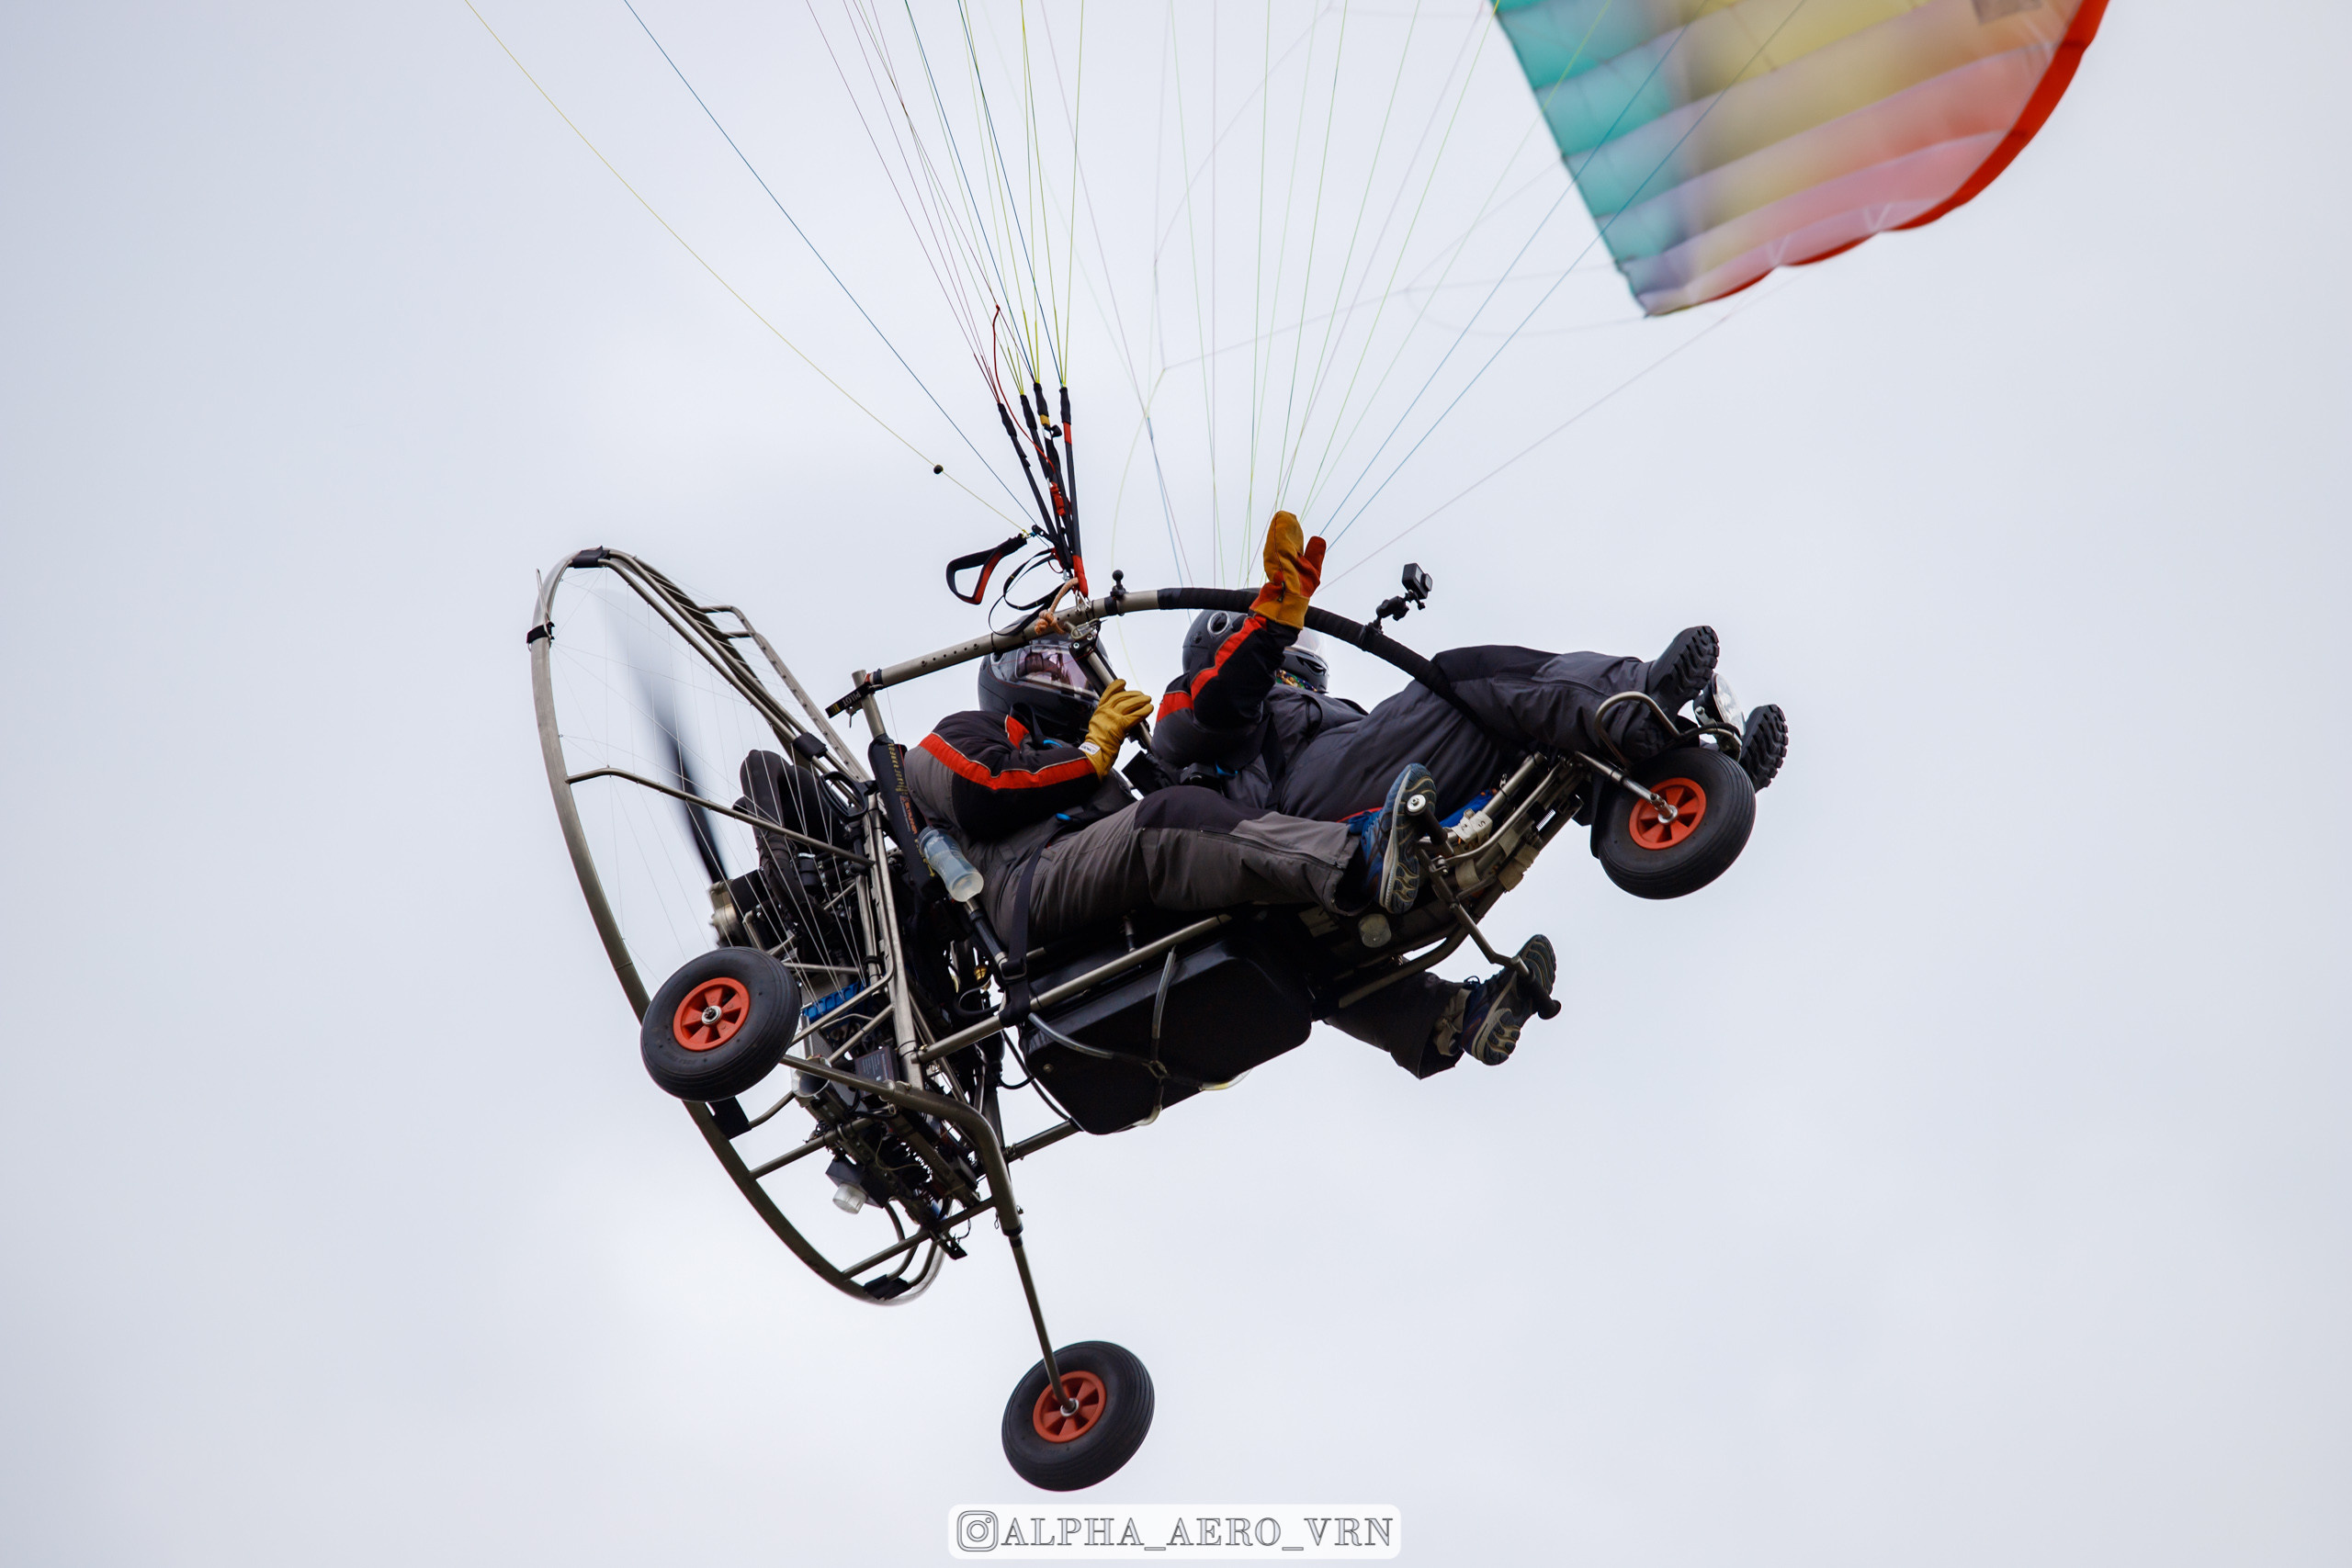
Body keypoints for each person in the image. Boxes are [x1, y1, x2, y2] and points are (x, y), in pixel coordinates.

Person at [901, 517, 1560, 1078]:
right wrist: (1090, 756)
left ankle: (1446, 1020)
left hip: (1101, 897)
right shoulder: (962, 735)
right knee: (1170, 821)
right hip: (1032, 889)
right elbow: (982, 791)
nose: (1068, 680)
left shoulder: (1099, 773)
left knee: (1274, 913)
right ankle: (1360, 856)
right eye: (1051, 667)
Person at [1148, 512, 1792, 1076]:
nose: (1299, 654)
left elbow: (1330, 984)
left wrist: (1439, 1024)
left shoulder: (1329, 716)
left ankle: (1673, 769)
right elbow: (1216, 705)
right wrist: (1264, 634)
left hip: (1352, 827)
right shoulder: (1200, 708)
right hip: (1296, 820)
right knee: (1460, 679)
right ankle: (1638, 701)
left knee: (1513, 727)